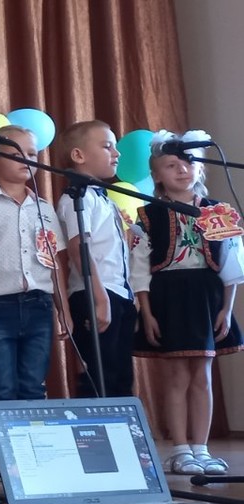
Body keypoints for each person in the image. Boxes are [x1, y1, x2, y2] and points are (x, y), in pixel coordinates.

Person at [132, 129, 244, 475]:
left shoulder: (218, 212)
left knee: (203, 375)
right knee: (177, 375)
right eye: (171, 165)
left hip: (206, 296)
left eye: (188, 163)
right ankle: (180, 449)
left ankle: (201, 448)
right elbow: (138, 268)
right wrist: (146, 313)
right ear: (157, 175)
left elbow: (232, 263)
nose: (182, 169)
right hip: (169, 296)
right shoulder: (147, 215)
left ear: (200, 168)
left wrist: (227, 309)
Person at [0, 126, 61, 481]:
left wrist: (62, 310)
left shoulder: (45, 209)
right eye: (16, 152)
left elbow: (54, 262)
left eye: (32, 154)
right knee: (1, 385)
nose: (27, 160)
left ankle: (35, 459)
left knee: (33, 384)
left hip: (39, 304)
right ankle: (4, 460)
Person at [54, 120, 137, 399]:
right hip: (95, 293)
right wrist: (99, 297)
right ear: (78, 156)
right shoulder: (76, 198)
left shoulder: (105, 199)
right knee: (100, 376)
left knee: (121, 376)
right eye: (107, 146)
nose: (117, 153)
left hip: (118, 293)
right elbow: (79, 248)